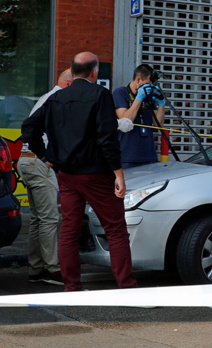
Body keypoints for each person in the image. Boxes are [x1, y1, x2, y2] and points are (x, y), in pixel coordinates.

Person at [21, 52, 138, 292]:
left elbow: (28, 127)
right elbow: (107, 137)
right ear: (94, 73)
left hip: (67, 175)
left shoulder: (56, 98)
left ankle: (72, 286)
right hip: (96, 173)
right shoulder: (100, 95)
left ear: (72, 72)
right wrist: (118, 173)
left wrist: (46, 157)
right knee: (115, 229)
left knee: (68, 230)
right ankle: (126, 285)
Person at [18, 68, 72, 285]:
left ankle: (36, 268)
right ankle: (52, 269)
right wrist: (46, 158)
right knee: (50, 219)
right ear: (68, 84)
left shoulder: (45, 97)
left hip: (26, 161)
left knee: (38, 219)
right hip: (39, 162)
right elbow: (32, 130)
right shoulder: (57, 98)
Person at [113, 64, 165, 169]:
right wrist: (139, 98)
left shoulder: (148, 95)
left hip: (149, 155)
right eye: (147, 84)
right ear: (138, 80)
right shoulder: (120, 93)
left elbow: (158, 124)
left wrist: (161, 104)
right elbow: (126, 119)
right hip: (127, 156)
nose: (148, 87)